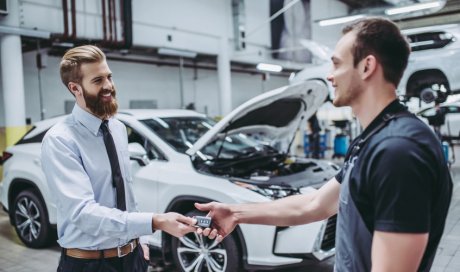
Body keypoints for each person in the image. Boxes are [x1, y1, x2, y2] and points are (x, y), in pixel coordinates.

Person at [195, 18, 453, 272]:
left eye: (337, 64)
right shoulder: (372, 140)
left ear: (367, 67)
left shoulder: (398, 151)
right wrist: (236, 213)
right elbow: (315, 204)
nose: (329, 76)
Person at [41, 45, 197, 272]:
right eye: (97, 81)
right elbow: (83, 213)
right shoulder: (60, 140)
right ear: (75, 88)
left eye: (109, 77)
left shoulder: (117, 129)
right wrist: (154, 221)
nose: (108, 86)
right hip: (89, 263)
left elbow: (126, 194)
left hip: (132, 258)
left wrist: (140, 240)